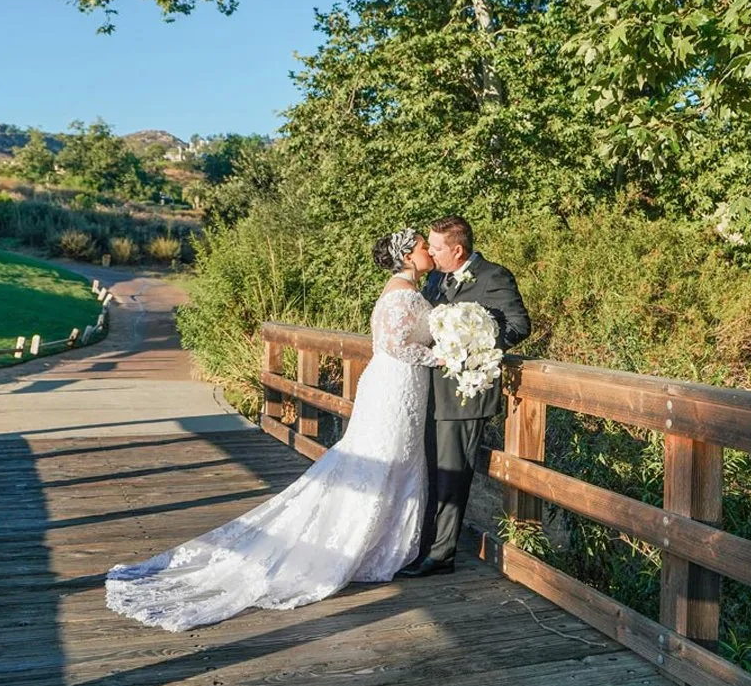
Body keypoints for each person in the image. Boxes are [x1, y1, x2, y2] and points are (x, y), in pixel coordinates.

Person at [104, 229, 439, 632]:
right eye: (423, 247)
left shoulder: (404, 289)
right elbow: (398, 346)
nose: (429, 252)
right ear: (406, 256)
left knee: (394, 461)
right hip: (396, 385)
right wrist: (447, 354)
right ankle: (364, 549)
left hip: (400, 386)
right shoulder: (402, 294)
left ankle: (381, 548)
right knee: (383, 460)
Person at [395, 215, 531, 578]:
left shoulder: (494, 277)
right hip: (429, 392)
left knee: (453, 475)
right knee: (430, 472)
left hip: (464, 393)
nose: (431, 254)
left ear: (457, 249)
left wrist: (471, 348)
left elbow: (518, 326)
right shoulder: (436, 279)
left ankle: (441, 556)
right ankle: (422, 546)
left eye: (436, 248)